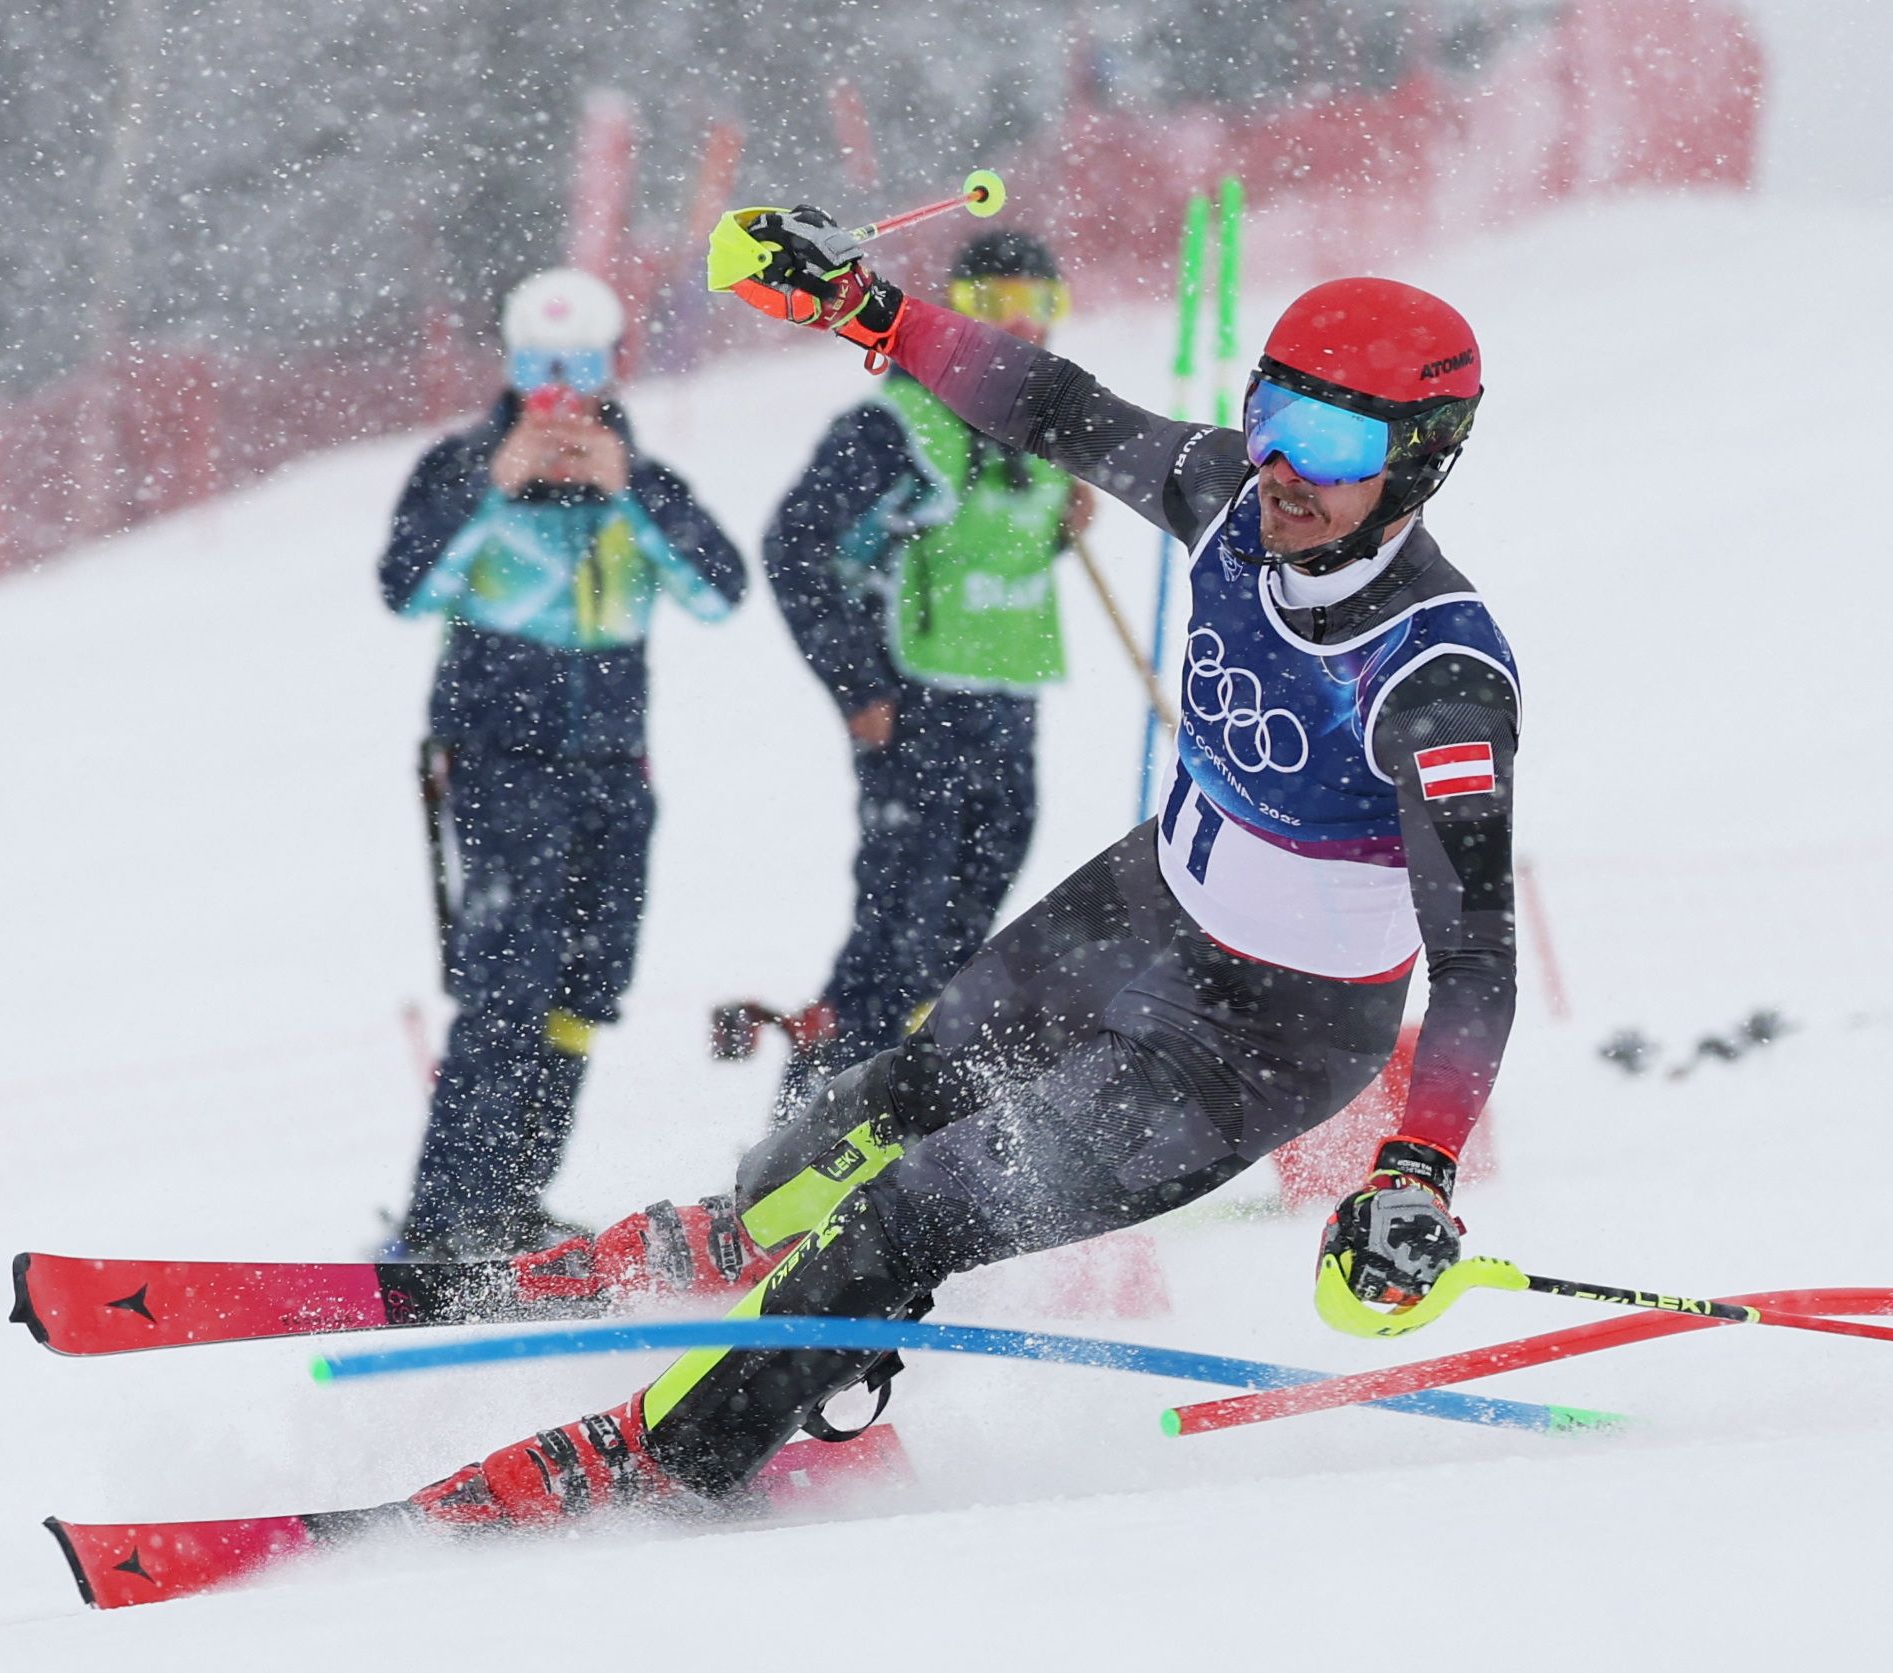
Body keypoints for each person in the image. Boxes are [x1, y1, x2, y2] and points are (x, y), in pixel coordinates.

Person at [401, 212, 1519, 1528]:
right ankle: (758, 1239)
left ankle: (685, 1453)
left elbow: (1477, 956)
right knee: (902, 1084)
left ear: (1424, 463)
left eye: (1333, 445)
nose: (1283, 463)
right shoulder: (1229, 497)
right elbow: (1053, 405)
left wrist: (1415, 1173)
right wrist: (870, 313)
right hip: (1152, 903)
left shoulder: (1439, 679)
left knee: (908, 1215)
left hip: (1262, 1036)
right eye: (1273, 412)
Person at [375, 268, 746, 1259]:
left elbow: (721, 589)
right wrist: (491, 489)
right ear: (510, 364)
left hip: (613, 770)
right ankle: (443, 1224)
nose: (558, 394)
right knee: (504, 989)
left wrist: (629, 495)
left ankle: (513, 1201)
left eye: (577, 369)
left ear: (610, 364)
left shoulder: (641, 479)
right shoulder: (462, 468)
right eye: (539, 369)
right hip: (499, 765)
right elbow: (403, 585)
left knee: (584, 991)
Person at [761, 230, 1098, 1112]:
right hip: (914, 702)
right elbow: (796, 546)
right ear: (955, 309)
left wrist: (1059, 535)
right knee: (903, 916)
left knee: (970, 919)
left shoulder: (1043, 427)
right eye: (995, 302)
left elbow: (981, 550)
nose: (1022, 322)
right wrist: (856, 685)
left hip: (1008, 693)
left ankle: (910, 1103)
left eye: (1042, 301)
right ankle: (817, 1113)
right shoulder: (897, 423)